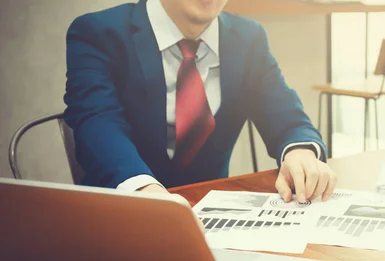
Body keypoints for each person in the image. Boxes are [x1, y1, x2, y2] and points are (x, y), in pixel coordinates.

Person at [64, 0, 337, 204]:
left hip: (213, 211)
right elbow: (96, 122)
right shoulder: (98, 32)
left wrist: (299, 152)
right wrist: (144, 190)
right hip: (121, 214)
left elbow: (286, 116)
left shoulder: (248, 38)